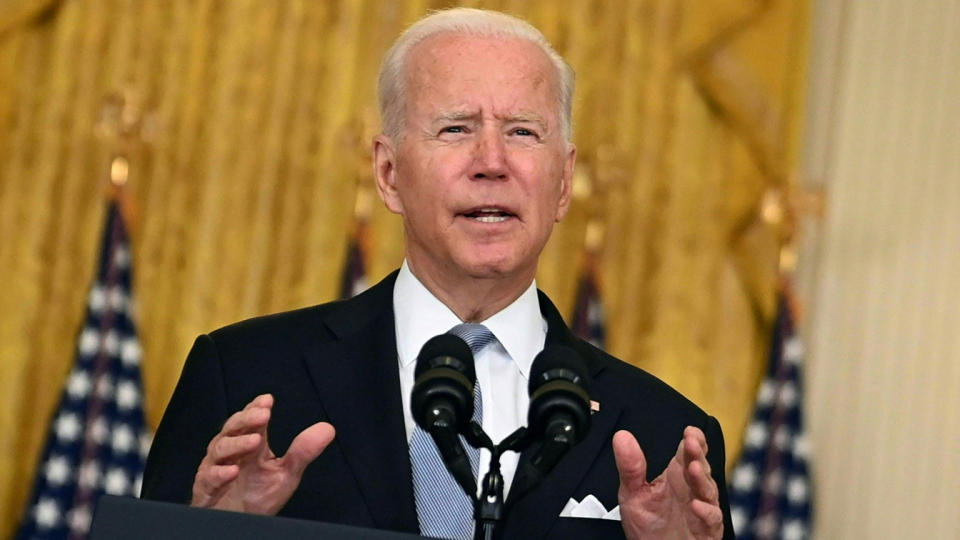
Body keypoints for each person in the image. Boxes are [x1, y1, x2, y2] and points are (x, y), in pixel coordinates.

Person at [142, 8, 734, 540]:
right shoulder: (244, 380)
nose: (492, 163)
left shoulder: (665, 437)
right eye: (456, 128)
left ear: (562, 181)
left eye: (523, 132)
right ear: (388, 173)